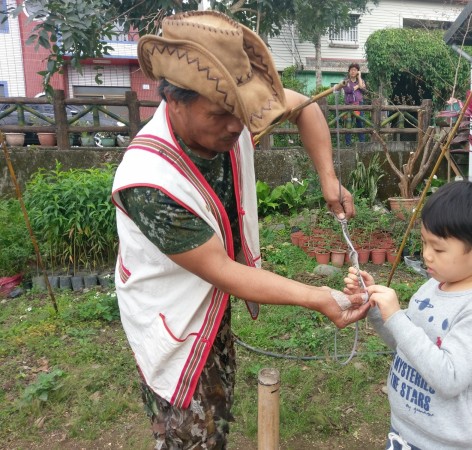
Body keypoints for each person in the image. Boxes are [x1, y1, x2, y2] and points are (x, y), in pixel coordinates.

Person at [111, 11, 369, 450]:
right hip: (168, 312)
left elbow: (304, 107)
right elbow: (223, 270)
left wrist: (328, 177)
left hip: (210, 304)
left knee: (217, 401)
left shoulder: (231, 116)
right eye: (220, 114)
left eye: (242, 110)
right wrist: (321, 298)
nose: (238, 125)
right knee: (189, 430)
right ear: (174, 101)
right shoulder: (148, 181)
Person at [345, 181, 472, 450]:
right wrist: (376, 310)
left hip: (444, 444)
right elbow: (407, 345)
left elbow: (449, 379)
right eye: (424, 243)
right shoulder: (432, 287)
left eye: (439, 248)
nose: (426, 255)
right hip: (403, 430)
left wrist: (397, 316)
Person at [342, 63, 367, 146]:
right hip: (348, 105)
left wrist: (359, 77)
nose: (353, 71)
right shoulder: (346, 81)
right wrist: (358, 86)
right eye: (351, 70)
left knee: (360, 123)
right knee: (348, 124)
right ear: (349, 71)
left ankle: (362, 144)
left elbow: (363, 89)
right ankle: (348, 144)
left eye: (355, 70)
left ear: (357, 71)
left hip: (359, 104)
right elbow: (348, 90)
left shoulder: (361, 80)